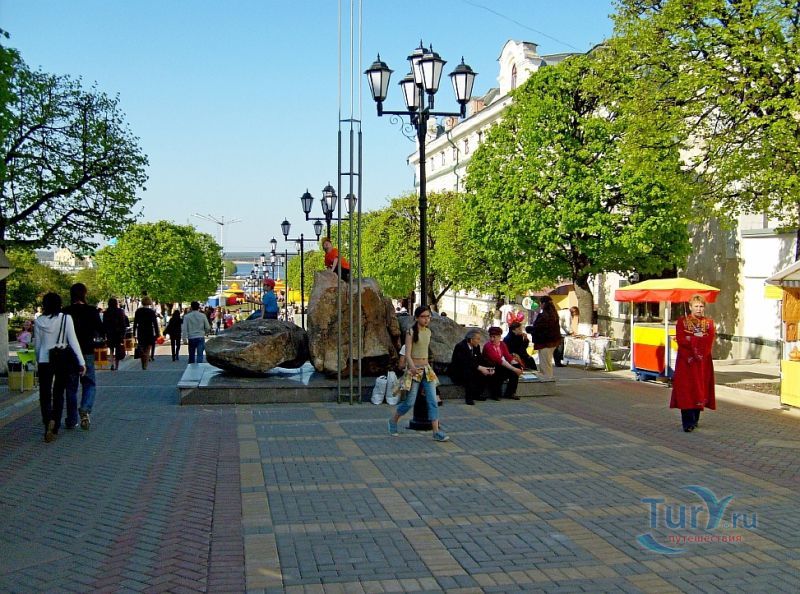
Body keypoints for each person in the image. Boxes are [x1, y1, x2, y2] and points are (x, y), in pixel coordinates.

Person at [388, 305, 449, 441]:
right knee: (410, 402)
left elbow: (426, 352)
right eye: (423, 317)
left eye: (428, 316)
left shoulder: (428, 332)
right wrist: (412, 367)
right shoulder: (411, 332)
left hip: (426, 369)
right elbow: (407, 353)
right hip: (414, 370)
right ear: (416, 317)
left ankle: (436, 431)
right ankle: (393, 420)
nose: (426, 319)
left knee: (433, 401)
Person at [33, 293, 85, 443]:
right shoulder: (66, 318)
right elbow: (73, 341)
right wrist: (81, 362)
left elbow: (37, 344)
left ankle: (47, 421)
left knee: (44, 393)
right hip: (62, 359)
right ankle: (55, 425)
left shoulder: (39, 321)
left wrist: (38, 359)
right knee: (58, 393)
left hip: (44, 359)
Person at [670, 295, 716, 432]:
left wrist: (692, 339)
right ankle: (687, 422)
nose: (699, 309)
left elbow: (709, 340)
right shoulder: (682, 322)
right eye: (696, 306)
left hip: (702, 362)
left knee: (699, 389)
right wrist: (696, 339)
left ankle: (695, 419)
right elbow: (681, 339)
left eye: (701, 306)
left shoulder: (709, 323)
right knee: (686, 390)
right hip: (686, 362)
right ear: (690, 307)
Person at [62, 283, 104, 431]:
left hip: (69, 353)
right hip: (87, 351)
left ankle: (71, 419)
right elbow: (101, 330)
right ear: (85, 294)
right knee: (89, 383)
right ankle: (85, 408)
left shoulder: (65, 312)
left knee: (71, 387)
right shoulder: (91, 311)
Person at [448, 328, 495, 405]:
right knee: (469, 373)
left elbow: (480, 359)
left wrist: (489, 367)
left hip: (472, 367)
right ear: (471, 339)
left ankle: (477, 394)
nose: (479, 341)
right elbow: (464, 362)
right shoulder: (460, 346)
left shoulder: (476, 346)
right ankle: (469, 398)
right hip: (459, 371)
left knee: (484, 373)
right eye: (477, 339)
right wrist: (480, 368)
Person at [483, 326, 523, 400]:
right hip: (489, 367)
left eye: (494, 337)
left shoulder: (502, 344)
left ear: (499, 337)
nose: (492, 339)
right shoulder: (488, 346)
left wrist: (517, 366)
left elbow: (508, 357)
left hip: (499, 366)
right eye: (491, 337)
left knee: (515, 369)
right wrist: (514, 369)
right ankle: (495, 394)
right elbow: (498, 360)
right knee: (505, 370)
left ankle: (510, 393)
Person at [531, 296, 562, 380]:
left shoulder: (545, 315)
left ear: (543, 304)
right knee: (547, 362)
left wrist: (530, 329)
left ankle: (547, 379)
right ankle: (547, 377)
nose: (540, 305)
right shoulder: (553, 314)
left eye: (540, 303)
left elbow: (539, 328)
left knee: (545, 363)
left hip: (545, 342)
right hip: (552, 341)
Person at [133, 296, 160, 370]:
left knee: (142, 346)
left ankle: (143, 361)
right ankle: (145, 365)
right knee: (148, 348)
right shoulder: (151, 312)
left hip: (140, 331)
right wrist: (157, 333)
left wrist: (134, 332)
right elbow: (155, 323)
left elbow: (135, 322)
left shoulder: (138, 311)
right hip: (149, 331)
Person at [103, 297, 129, 371]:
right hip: (118, 333)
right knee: (118, 349)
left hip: (110, 333)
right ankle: (116, 366)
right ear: (116, 303)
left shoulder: (106, 312)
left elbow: (104, 324)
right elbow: (123, 323)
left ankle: (112, 364)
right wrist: (123, 334)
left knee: (111, 349)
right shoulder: (120, 311)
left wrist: (105, 334)